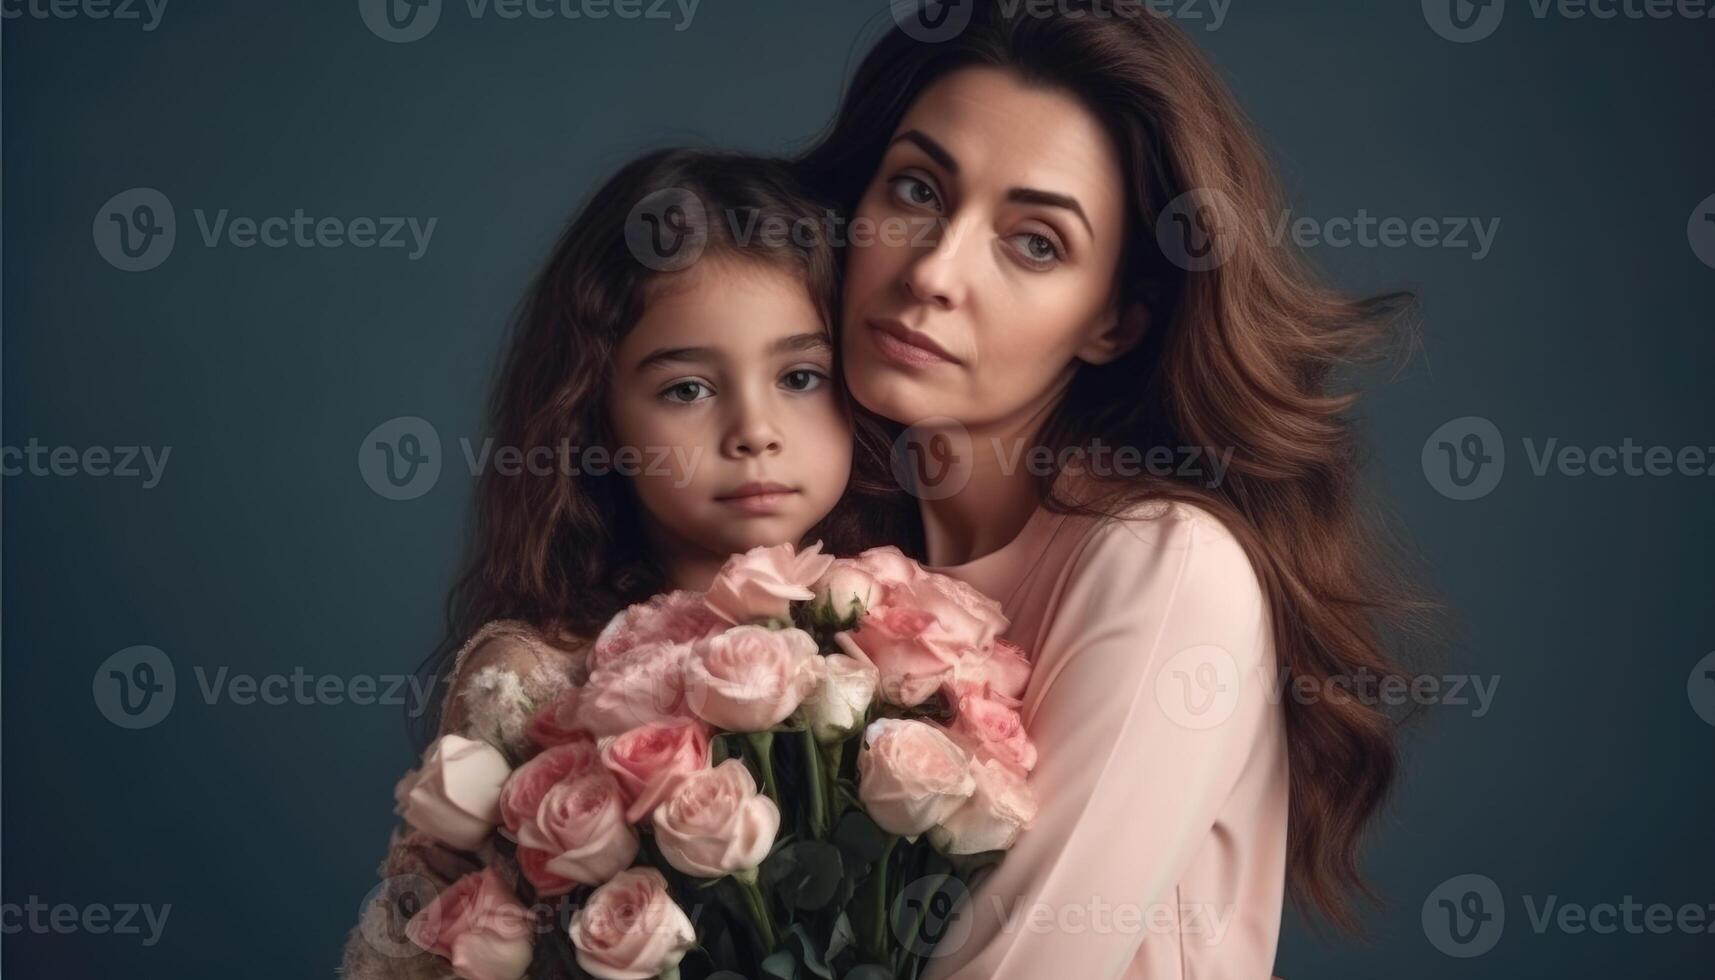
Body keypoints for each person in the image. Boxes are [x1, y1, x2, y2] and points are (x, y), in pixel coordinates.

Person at [794, 4, 1422, 976]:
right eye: (916, 188)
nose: (931, 271)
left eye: (1034, 242)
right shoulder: (830, 551)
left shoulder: (1162, 567)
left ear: (1115, 321)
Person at [338, 147, 901, 979]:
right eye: (686, 389)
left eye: (799, 375)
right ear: (594, 418)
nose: (754, 428)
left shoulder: (888, 640)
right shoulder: (531, 675)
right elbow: (426, 952)